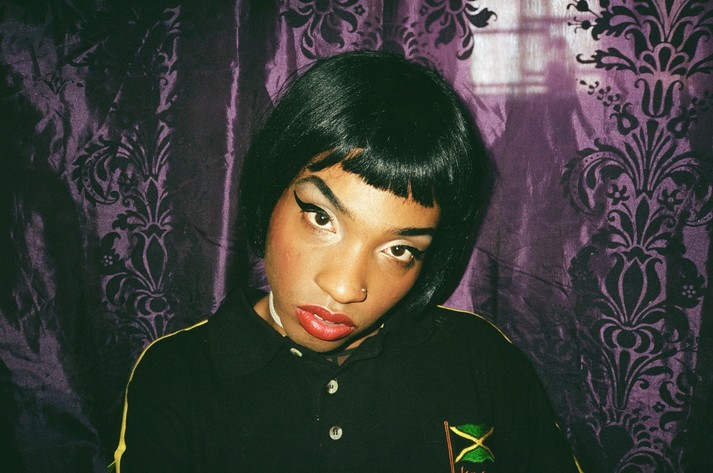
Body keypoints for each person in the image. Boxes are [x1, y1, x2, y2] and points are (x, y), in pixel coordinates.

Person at [113, 50, 580, 473]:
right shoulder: (179, 374)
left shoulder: (480, 359)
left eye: (399, 250)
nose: (344, 288)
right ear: (270, 192)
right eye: (321, 218)